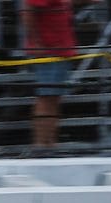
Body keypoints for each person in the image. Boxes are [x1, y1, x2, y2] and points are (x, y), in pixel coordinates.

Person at [21, 0, 76, 153]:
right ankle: (40, 144)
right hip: (49, 49)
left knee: (53, 98)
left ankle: (50, 144)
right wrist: (37, 43)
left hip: (61, 49)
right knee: (46, 97)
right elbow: (28, 10)